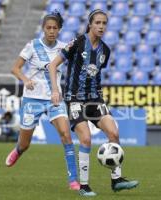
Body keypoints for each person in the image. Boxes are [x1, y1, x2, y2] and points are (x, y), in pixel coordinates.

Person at [48, 9, 139, 196]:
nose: (101, 26)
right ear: (90, 24)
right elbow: (52, 65)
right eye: (98, 23)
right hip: (75, 98)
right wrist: (55, 90)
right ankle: (83, 185)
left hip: (95, 99)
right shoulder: (77, 43)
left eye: (104, 23)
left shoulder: (105, 50)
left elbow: (95, 73)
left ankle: (117, 180)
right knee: (86, 138)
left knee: (113, 132)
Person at [4, 11, 80, 190]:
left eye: (55, 28)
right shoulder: (33, 45)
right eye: (48, 28)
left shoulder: (64, 48)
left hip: (54, 98)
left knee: (66, 135)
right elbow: (15, 68)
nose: (51, 31)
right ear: (43, 29)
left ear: (59, 29)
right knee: (25, 143)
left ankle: (74, 180)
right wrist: (25, 80)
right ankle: (18, 150)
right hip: (32, 99)